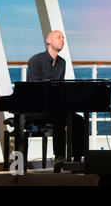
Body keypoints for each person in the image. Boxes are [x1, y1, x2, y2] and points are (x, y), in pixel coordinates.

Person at [26, 30, 84, 167]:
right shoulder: (36, 60)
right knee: (59, 117)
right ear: (48, 40)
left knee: (79, 120)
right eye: (59, 37)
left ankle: (76, 158)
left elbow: (59, 87)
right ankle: (59, 157)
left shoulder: (62, 63)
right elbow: (34, 88)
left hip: (54, 108)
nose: (62, 39)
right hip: (37, 108)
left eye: (63, 38)